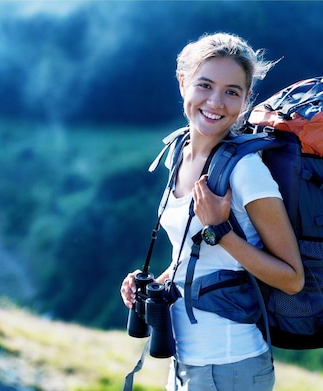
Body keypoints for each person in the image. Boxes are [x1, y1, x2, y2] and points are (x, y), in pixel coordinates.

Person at [120, 32, 304, 391]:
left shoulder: (246, 170)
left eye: (232, 92)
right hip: (184, 361)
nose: (216, 102)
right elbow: (196, 256)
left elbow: (292, 278)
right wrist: (156, 282)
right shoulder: (178, 152)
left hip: (231, 366)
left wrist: (222, 230)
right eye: (205, 85)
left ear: (247, 99)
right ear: (182, 83)